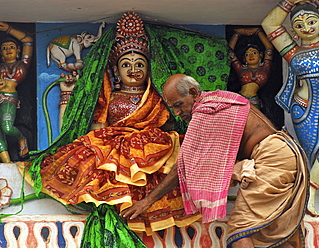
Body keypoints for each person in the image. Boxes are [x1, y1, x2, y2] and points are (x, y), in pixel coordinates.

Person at [20, 12, 200, 237]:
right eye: (126, 64)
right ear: (116, 70)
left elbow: (165, 123)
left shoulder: (156, 97)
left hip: (152, 150)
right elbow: (98, 128)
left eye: (139, 64)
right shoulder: (109, 95)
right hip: (113, 148)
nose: (133, 69)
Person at [122, 74, 308, 248]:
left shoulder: (206, 112)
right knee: (275, 229)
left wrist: (147, 201)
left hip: (272, 159)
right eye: (173, 108)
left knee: (239, 230)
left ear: (194, 93)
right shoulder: (220, 101)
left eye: (179, 104)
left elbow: (183, 167)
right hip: (284, 153)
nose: (177, 112)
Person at [262, 0, 319, 217]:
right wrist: (288, 3)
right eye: (299, 25)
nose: (306, 28)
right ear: (293, 30)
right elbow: (270, 24)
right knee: (316, 154)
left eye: (311, 22)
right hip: (303, 107)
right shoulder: (293, 51)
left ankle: (307, 194)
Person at [0, 22, 33, 163]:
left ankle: (21, 138)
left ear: (18, 50)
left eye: (11, 47)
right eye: (4, 48)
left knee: (7, 128)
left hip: (9, 97)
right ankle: (7, 162)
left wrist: (9, 29)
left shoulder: (22, 64)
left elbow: (28, 41)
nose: (8, 50)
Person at [228, 27, 273, 109]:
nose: (251, 56)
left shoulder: (265, 67)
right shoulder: (241, 69)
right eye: (247, 54)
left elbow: (269, 48)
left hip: (255, 100)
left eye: (254, 53)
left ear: (260, 55)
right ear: (244, 59)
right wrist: (236, 34)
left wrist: (258, 32)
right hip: (240, 98)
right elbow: (230, 52)